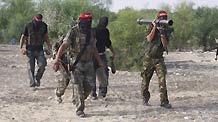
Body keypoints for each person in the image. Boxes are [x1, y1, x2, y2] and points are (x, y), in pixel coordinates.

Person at [52, 12, 104, 117]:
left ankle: (76, 99)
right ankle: (80, 109)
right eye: (86, 20)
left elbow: (94, 48)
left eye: (89, 20)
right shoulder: (73, 31)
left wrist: (99, 61)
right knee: (77, 85)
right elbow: (64, 46)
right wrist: (56, 59)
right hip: (76, 63)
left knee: (90, 85)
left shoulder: (91, 32)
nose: (88, 23)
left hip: (89, 62)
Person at [140, 11, 172, 108]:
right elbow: (149, 39)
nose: (164, 19)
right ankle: (145, 99)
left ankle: (164, 102)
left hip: (159, 59)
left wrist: (162, 34)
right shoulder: (150, 26)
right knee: (145, 80)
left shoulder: (167, 30)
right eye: (162, 18)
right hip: (148, 58)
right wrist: (154, 27)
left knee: (162, 81)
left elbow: (165, 45)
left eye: (165, 17)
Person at [19, 14, 52, 87]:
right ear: (34, 18)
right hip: (29, 50)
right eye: (37, 20)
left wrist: (50, 47)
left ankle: (37, 78)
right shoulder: (28, 25)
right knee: (31, 67)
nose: (38, 23)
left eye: (40, 21)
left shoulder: (44, 26)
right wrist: (21, 48)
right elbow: (23, 37)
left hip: (40, 49)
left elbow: (46, 37)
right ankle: (32, 82)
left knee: (42, 65)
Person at [90, 16, 115, 100]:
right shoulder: (93, 31)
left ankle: (101, 93)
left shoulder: (105, 31)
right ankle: (93, 93)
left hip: (101, 55)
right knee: (93, 74)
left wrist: (113, 51)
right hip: (93, 55)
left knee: (103, 74)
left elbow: (108, 42)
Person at [52, 35, 71, 103]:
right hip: (61, 63)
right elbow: (55, 55)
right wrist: (56, 62)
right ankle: (58, 94)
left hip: (71, 62)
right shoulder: (57, 44)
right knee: (64, 80)